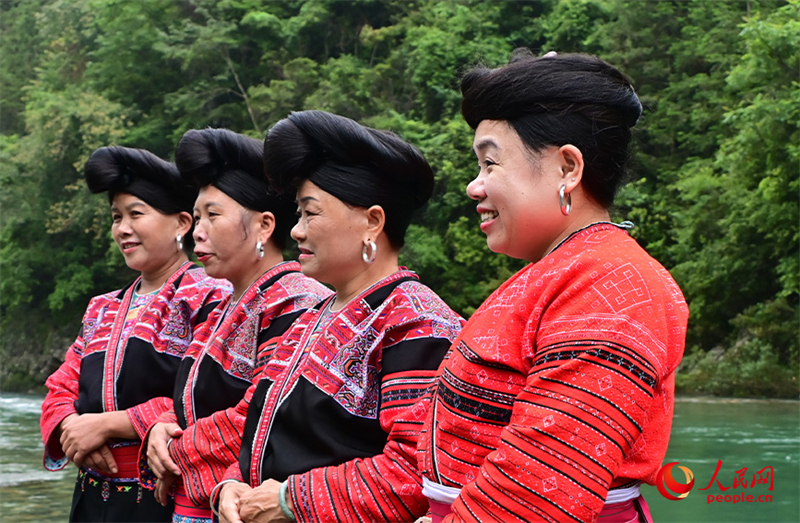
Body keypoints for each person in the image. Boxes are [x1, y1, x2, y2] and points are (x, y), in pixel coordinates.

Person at [415, 50, 689, 523]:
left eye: (490, 163)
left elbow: (538, 493)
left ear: (568, 168)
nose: (473, 187)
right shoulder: (559, 271)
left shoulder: (611, 286)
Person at [213, 110, 465, 523]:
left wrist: (289, 501)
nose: (296, 230)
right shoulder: (306, 320)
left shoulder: (418, 324)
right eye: (298, 214)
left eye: (310, 213)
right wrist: (231, 485)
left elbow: (414, 470)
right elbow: (257, 429)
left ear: (372, 221)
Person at [140, 129, 332, 523]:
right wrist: (160, 427)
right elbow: (185, 401)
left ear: (264, 226)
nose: (197, 232)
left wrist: (175, 452)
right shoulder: (223, 306)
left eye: (213, 215)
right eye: (196, 217)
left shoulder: (295, 300)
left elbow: (262, 413)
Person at [40, 146, 231, 522]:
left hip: (163, 495)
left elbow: (210, 396)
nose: (122, 228)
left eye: (135, 214)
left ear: (181, 223)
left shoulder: (211, 295)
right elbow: (61, 385)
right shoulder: (102, 307)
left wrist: (107, 425)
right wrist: (71, 429)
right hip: (91, 497)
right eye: (116, 217)